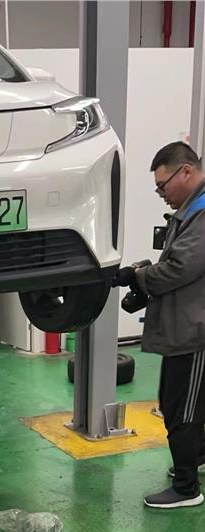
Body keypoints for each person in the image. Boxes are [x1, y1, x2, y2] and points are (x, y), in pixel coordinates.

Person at [114, 141, 205, 509]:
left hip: (196, 332)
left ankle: (186, 489)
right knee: (181, 402)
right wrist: (141, 272)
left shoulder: (202, 213)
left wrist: (140, 277)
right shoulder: (190, 212)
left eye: (162, 186)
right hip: (186, 326)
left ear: (186, 172)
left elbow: (180, 268)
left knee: (181, 409)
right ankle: (197, 458)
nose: (161, 194)